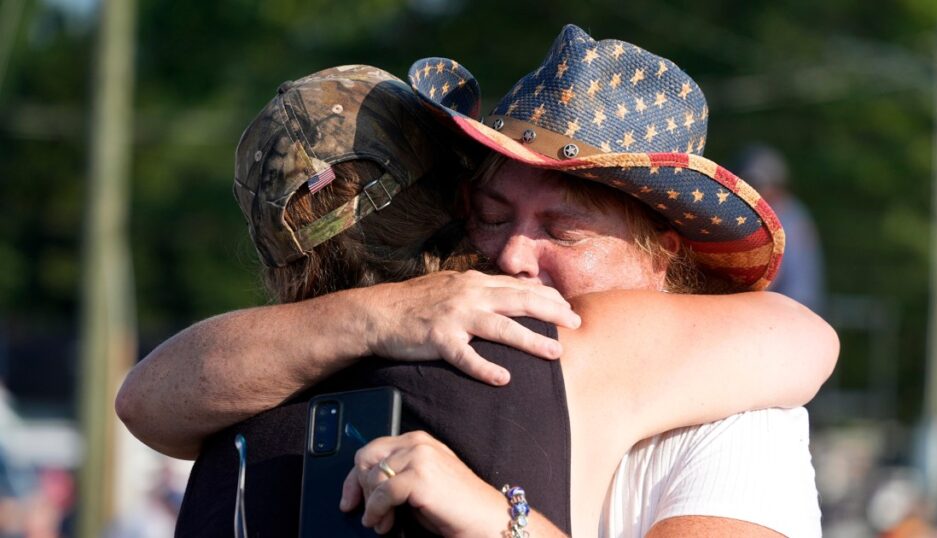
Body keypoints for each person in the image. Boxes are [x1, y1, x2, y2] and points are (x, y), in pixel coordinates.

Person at [117, 27, 837, 537]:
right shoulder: (408, 341)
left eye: (563, 230)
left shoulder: (742, 417)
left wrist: (498, 521)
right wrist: (382, 313)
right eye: (492, 214)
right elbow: (146, 399)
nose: (515, 256)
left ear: (661, 253)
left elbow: (806, 337)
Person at [734, 144, 826, 314]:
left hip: (789, 311)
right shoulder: (793, 212)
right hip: (793, 309)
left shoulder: (785, 219)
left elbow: (769, 279)